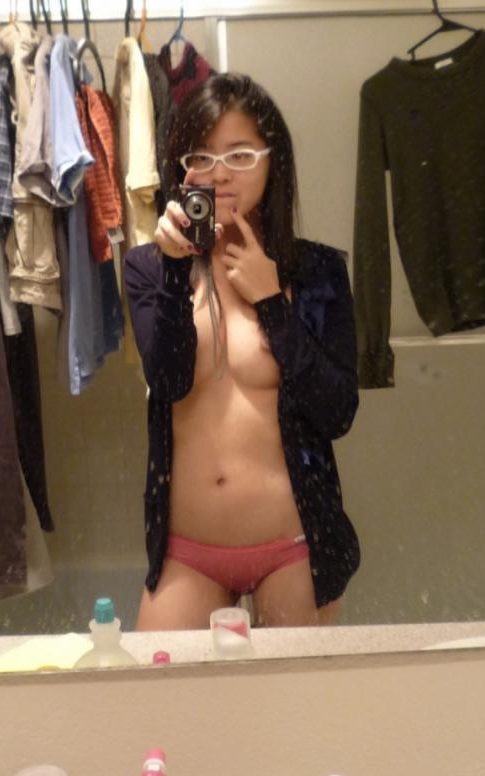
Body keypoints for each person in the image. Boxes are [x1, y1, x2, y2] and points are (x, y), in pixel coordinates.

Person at [124, 72, 360, 631]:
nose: (220, 173)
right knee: (160, 684)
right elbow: (169, 380)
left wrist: (272, 302)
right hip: (187, 551)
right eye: (201, 156)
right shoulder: (149, 269)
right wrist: (176, 272)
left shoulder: (317, 272)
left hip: (294, 546)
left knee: (296, 692)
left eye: (240, 154)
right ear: (181, 167)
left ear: (273, 161)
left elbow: (337, 412)